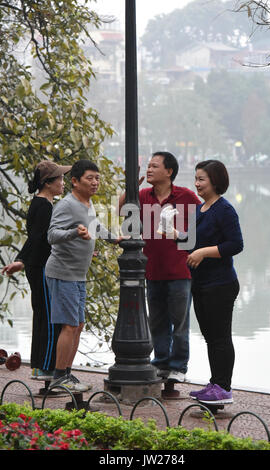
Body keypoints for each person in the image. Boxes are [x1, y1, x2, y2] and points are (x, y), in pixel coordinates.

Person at [119, 151, 201, 383]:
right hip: (152, 270)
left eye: (155, 166)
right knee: (156, 321)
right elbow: (123, 212)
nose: (149, 169)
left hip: (180, 271)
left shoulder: (186, 196)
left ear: (169, 171)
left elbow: (202, 223)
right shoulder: (143, 195)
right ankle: (161, 362)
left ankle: (178, 366)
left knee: (180, 323)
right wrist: (132, 186)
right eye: (149, 166)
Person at [45, 159, 121, 392]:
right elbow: (52, 235)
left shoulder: (86, 204)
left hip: (78, 274)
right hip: (62, 272)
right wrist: (73, 234)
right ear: (75, 181)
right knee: (69, 325)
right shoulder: (66, 205)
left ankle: (67, 373)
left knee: (78, 324)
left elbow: (94, 226)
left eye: (97, 178)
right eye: (90, 178)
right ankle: (58, 377)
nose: (95, 182)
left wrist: (114, 239)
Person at [175, 159, 243, 404]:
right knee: (211, 337)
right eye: (196, 178)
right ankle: (214, 383)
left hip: (221, 284)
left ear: (215, 181)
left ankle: (224, 387)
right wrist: (175, 235)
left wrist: (204, 252)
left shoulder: (224, 210)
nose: (197, 183)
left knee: (221, 336)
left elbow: (235, 244)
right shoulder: (200, 209)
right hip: (201, 283)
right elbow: (190, 243)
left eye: (201, 179)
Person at [1, 160, 72, 380]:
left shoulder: (42, 204)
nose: (63, 182)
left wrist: (21, 259)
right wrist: (22, 261)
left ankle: (40, 366)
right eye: (59, 179)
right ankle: (46, 368)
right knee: (50, 317)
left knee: (44, 315)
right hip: (41, 267)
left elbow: (39, 239)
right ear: (47, 183)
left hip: (39, 265)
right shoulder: (43, 206)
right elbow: (37, 239)